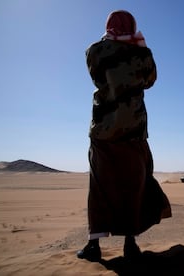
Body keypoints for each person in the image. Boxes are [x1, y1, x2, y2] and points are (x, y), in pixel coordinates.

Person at [77, 10, 172, 261]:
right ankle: (130, 244)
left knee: (99, 186)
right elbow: (150, 80)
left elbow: (97, 75)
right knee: (134, 185)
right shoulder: (142, 55)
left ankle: (93, 246)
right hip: (134, 130)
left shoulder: (95, 51)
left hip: (103, 129)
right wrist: (139, 46)